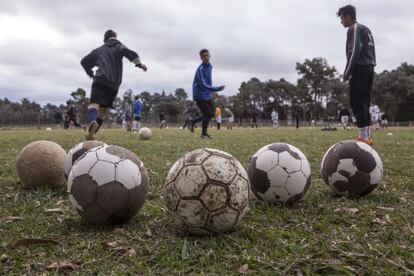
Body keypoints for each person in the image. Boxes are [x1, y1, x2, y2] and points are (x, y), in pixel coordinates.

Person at [80, 29, 147, 140]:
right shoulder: (119, 46)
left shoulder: (100, 50)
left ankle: (92, 121)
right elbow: (131, 54)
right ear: (115, 37)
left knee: (94, 104)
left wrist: (90, 72)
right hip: (113, 84)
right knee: (103, 110)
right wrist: (140, 65)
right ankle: (92, 133)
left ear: (104, 39)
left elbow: (84, 61)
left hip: (100, 79)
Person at [337, 5, 376, 145]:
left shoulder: (353, 28)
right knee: (365, 102)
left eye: (342, 18)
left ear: (348, 16)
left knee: (356, 102)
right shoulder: (367, 29)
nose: (341, 21)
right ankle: (366, 136)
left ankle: (363, 137)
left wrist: (347, 72)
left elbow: (355, 50)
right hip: (370, 67)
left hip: (359, 68)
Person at [190, 49, 225, 139]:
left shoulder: (210, 66)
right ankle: (203, 134)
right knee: (208, 114)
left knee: (210, 114)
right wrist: (217, 88)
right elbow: (203, 84)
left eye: (207, 55)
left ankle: (193, 122)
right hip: (199, 94)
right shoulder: (200, 69)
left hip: (206, 93)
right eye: (204, 56)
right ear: (201, 58)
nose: (206, 57)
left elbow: (208, 81)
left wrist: (210, 91)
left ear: (209, 56)